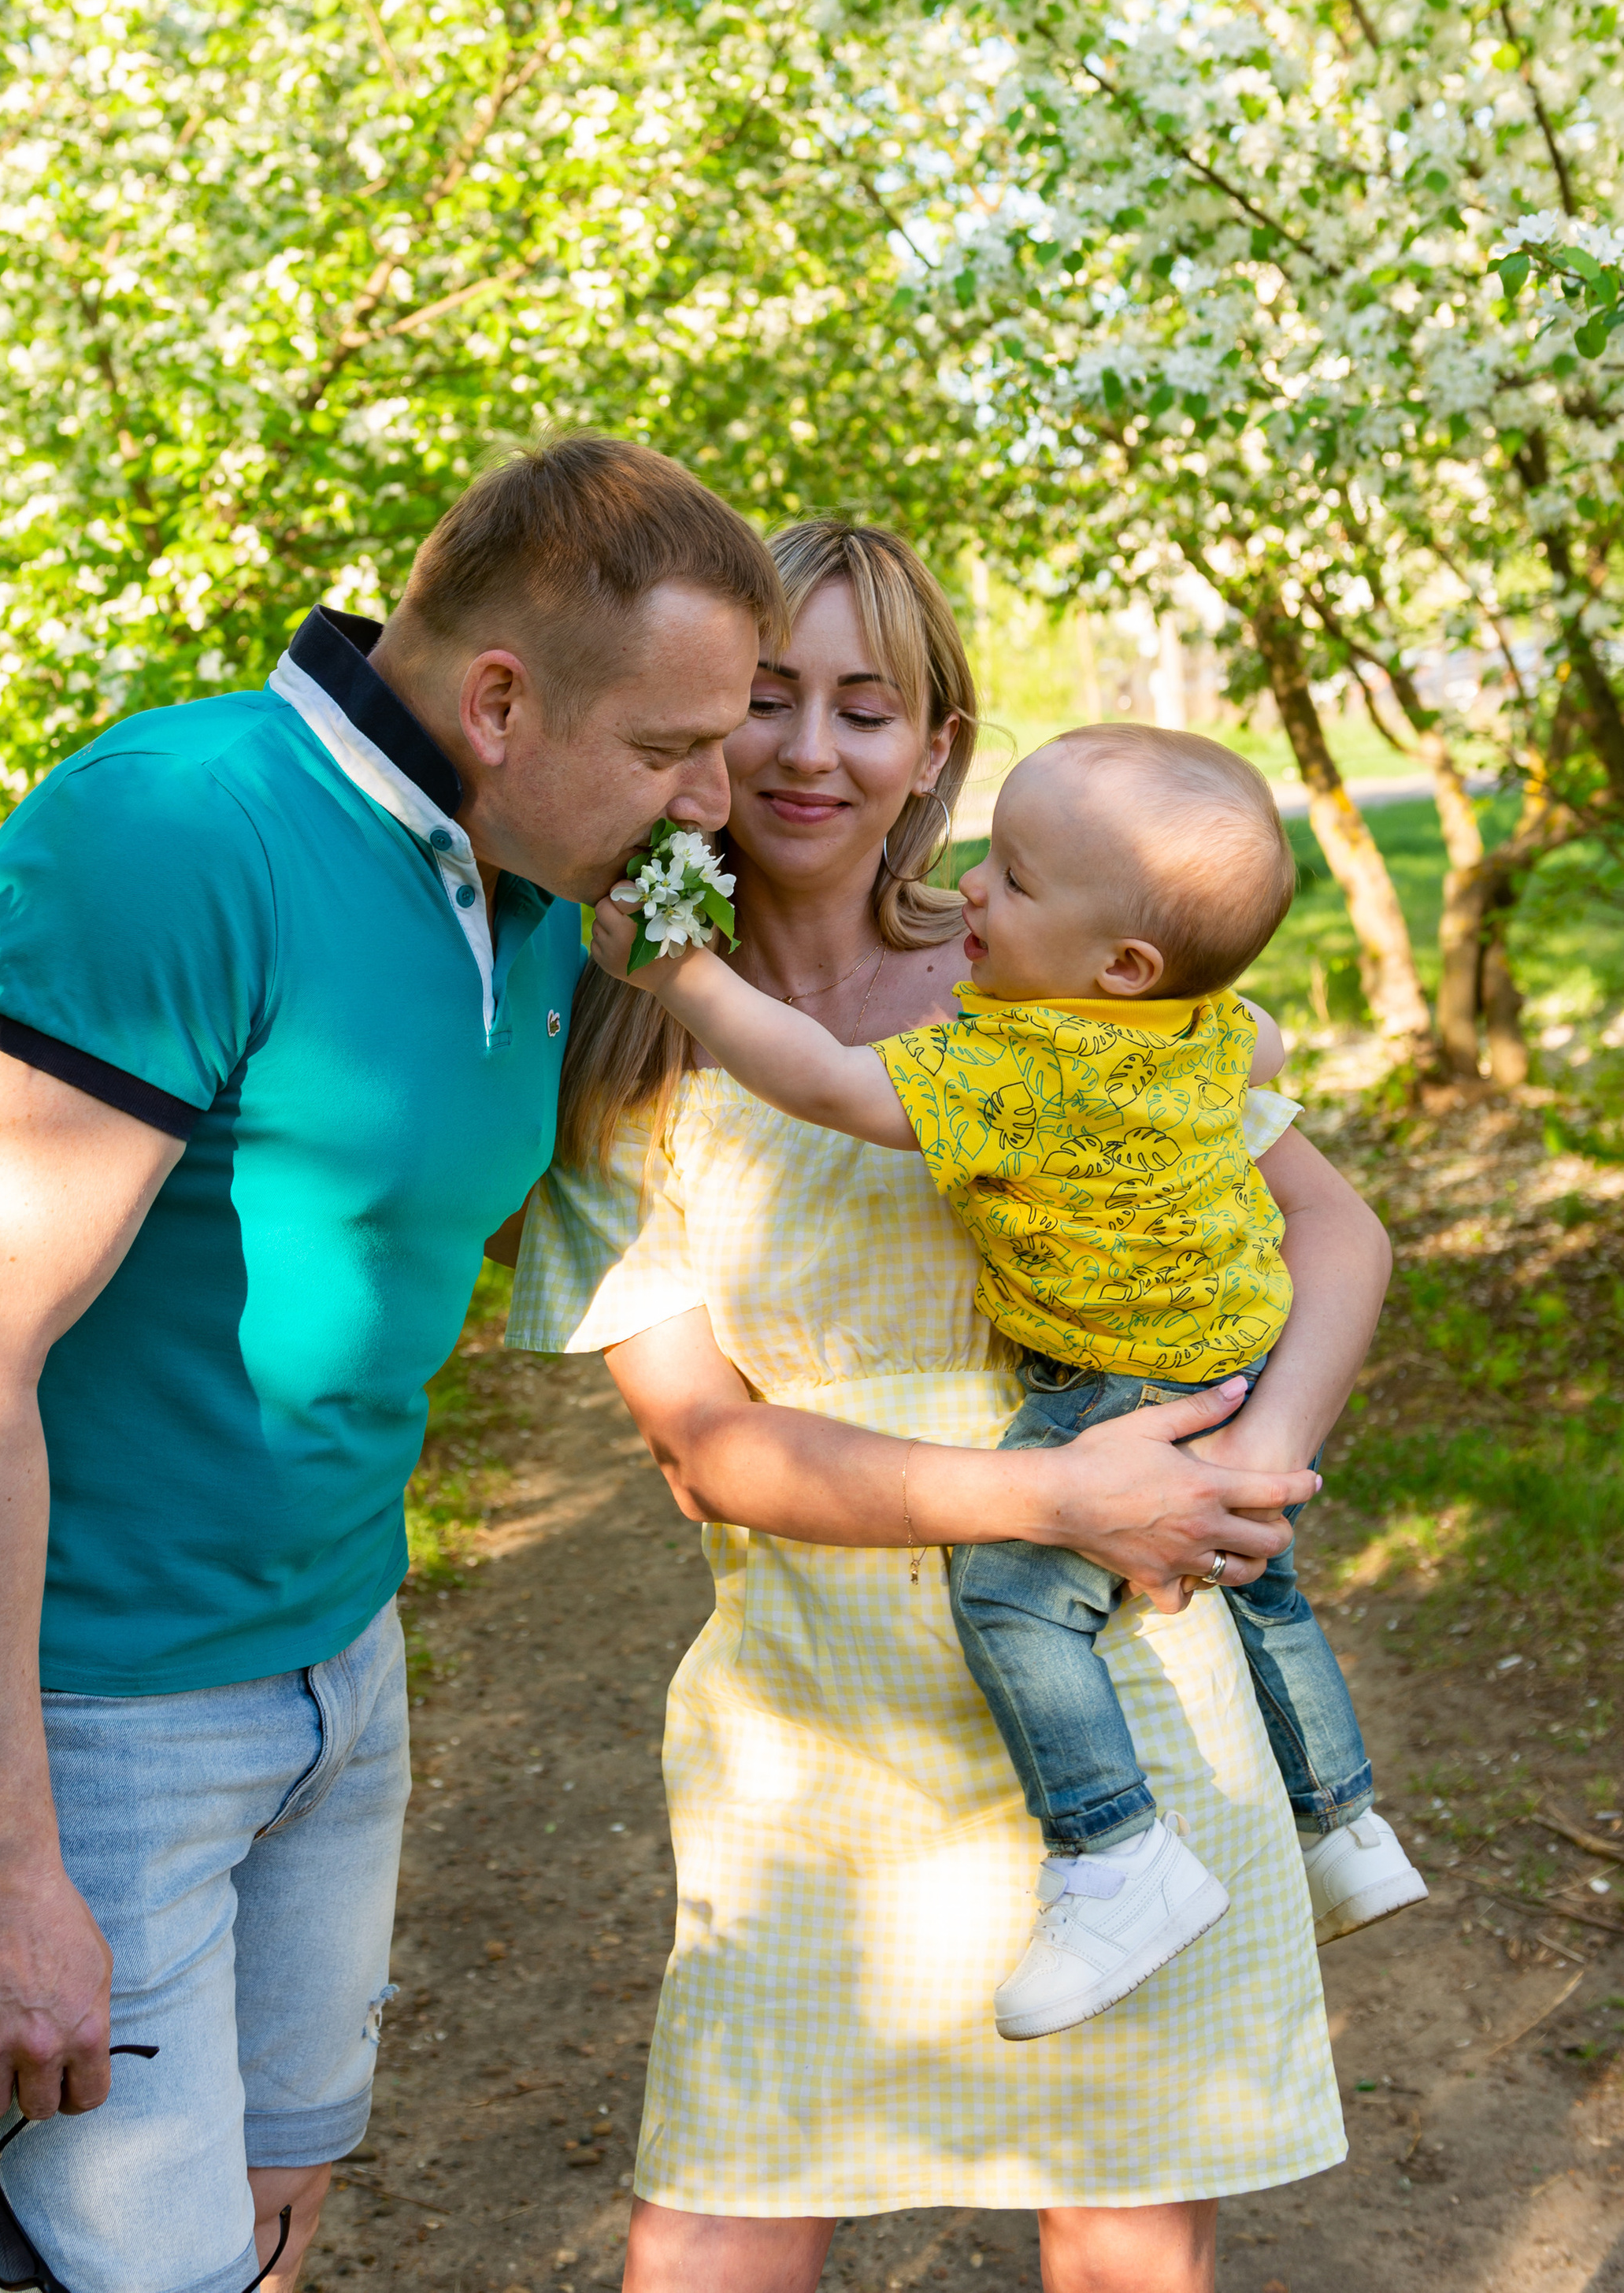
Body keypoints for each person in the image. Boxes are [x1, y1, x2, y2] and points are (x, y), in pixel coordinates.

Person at [0, 434, 787, 2293]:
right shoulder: (177, 833)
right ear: (499, 698)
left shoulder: (524, 875)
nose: (711, 800)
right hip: (97, 1698)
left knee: (269, 2215)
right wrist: (5, 1867)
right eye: (675, 751)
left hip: (334, 1660)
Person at [506, 521, 1389, 2293]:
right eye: (763, 698)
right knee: (713, 2228)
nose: (807, 750)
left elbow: (1329, 1225)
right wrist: (1048, 1503)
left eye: (862, 703)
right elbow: (704, 1450)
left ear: (933, 746)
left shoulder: (1073, 990)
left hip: (1136, 1710)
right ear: (696, 718)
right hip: (814, 1739)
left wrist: (1257, 1457)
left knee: (1127, 2231)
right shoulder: (625, 1058)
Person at [589, 718, 1422, 2048]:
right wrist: (1260, 1451)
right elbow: (1260, 1046)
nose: (980, 885)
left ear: (1121, 961)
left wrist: (678, 976)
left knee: (1015, 1599)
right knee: (1268, 1587)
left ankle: (1114, 1850)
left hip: (1113, 1386)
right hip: (1226, 1358)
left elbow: (822, 1081)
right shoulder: (1193, 1026)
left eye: (1020, 880)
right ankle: (1347, 1821)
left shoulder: (1013, 1057)